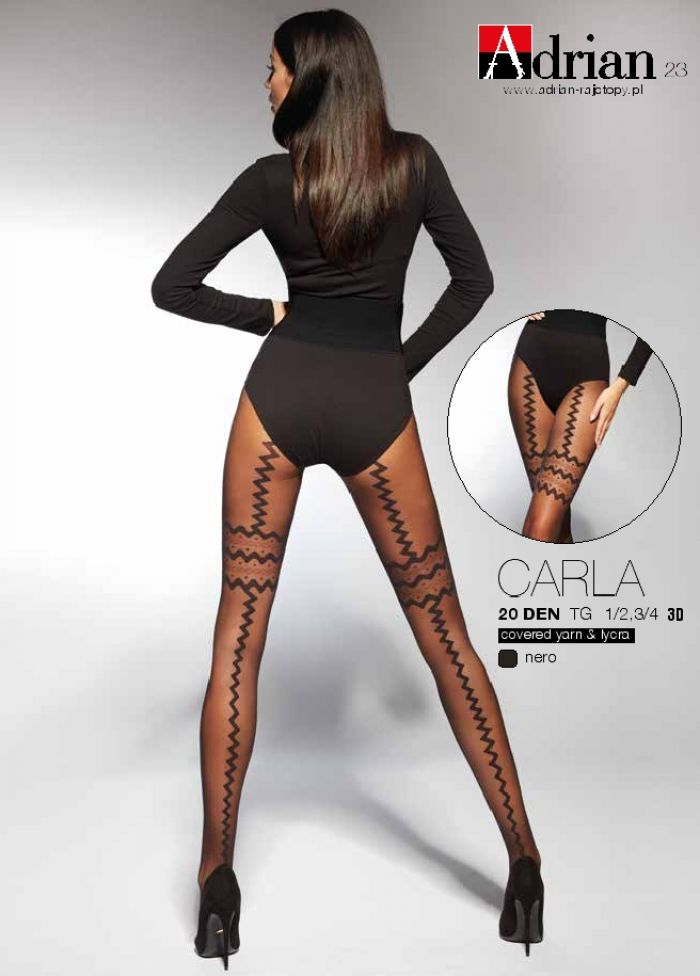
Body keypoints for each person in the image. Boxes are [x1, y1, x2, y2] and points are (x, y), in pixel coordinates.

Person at [151, 9, 543, 964]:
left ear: (315, 76)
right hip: (376, 407)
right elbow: (475, 281)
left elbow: (173, 284)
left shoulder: (270, 180)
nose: (266, 83)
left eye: (274, 68)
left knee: (238, 634)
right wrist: (397, 364)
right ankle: (525, 865)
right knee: (445, 634)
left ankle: (217, 884)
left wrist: (273, 313)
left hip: (279, 399)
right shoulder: (412, 166)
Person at [508, 309, 653, 543]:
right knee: (557, 526)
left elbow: (655, 317)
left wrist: (621, 385)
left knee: (539, 530)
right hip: (529, 363)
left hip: (587, 374)